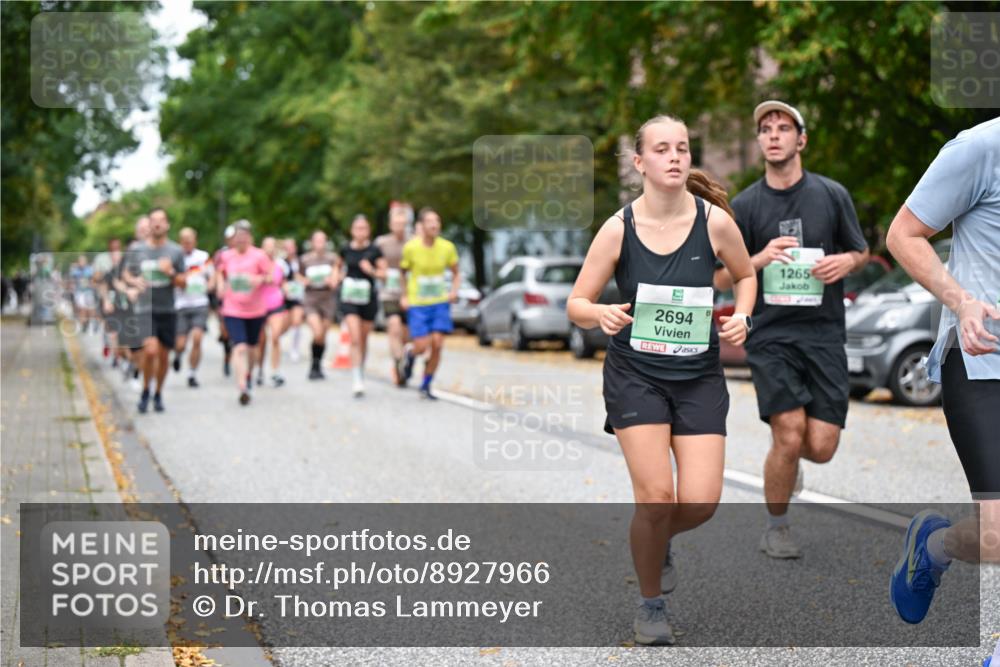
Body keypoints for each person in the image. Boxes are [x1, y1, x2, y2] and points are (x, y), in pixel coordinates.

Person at [568, 114, 756, 645]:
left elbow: (745, 275)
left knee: (700, 501)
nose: (674, 157)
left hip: (698, 377)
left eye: (682, 148)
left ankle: (657, 539)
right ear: (640, 162)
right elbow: (576, 302)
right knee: (656, 498)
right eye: (662, 149)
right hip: (636, 376)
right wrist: (598, 313)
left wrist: (745, 313)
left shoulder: (715, 222)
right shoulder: (618, 228)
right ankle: (651, 606)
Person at [715, 100, 869, 558]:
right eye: (765, 128)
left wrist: (848, 261)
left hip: (823, 333)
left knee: (819, 446)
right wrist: (757, 260)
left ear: (801, 140)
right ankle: (776, 527)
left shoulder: (831, 195)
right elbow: (720, 278)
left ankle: (788, 464)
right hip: (771, 335)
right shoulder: (744, 206)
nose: (774, 134)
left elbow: (860, 251)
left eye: (783, 127)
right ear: (760, 141)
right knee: (788, 431)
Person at [884, 117, 1000, 626]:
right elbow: (903, 234)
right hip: (983, 360)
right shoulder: (980, 148)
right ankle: (934, 545)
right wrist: (962, 300)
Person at [123, 208, 186, 413]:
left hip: (167, 309)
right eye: (153, 221)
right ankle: (145, 390)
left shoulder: (175, 251)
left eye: (161, 221)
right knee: (150, 352)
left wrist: (170, 272)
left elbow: (183, 282)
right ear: (148, 225)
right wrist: (134, 281)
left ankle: (158, 392)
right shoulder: (137, 250)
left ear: (167, 225)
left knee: (164, 356)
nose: (157, 224)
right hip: (144, 309)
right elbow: (125, 274)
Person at [398, 208, 461, 400]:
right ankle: (410, 354)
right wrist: (404, 296)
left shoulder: (447, 247)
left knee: (438, 344)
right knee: (422, 346)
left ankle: (426, 384)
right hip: (418, 303)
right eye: (430, 221)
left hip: (439, 302)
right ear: (422, 226)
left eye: (437, 221)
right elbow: (403, 272)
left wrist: (454, 291)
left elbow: (456, 272)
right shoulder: (411, 248)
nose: (435, 225)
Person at [215, 220, 273, 405]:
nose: (240, 241)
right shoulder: (227, 256)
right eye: (237, 238)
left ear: (250, 238)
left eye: (243, 237)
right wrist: (220, 286)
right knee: (239, 347)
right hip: (232, 308)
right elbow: (220, 274)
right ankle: (242, 386)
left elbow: (272, 277)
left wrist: (259, 279)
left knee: (253, 349)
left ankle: (248, 374)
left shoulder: (259, 256)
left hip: (255, 310)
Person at [337, 215, 387, 397]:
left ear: (368, 231)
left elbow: (385, 273)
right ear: (352, 230)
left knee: (364, 339)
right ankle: (357, 378)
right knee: (355, 337)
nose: (361, 231)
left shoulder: (375, 250)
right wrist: (338, 277)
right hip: (349, 298)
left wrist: (372, 270)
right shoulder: (345, 249)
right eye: (357, 228)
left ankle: (360, 369)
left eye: (364, 228)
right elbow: (337, 266)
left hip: (368, 299)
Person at [375, 202, 413, 385]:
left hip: (409, 294)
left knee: (406, 334)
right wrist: (378, 271)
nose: (399, 227)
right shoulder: (381, 243)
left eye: (403, 224)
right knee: (394, 326)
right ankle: (399, 363)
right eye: (396, 223)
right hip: (389, 292)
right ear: (390, 225)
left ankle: (404, 358)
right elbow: (372, 262)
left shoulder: (413, 242)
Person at [172, 227, 213, 388]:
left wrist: (210, 286)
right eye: (184, 240)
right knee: (180, 344)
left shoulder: (203, 257)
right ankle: (178, 354)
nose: (187, 243)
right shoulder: (175, 257)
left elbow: (212, 276)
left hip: (199, 304)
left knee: (197, 338)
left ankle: (192, 373)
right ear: (180, 241)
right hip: (181, 305)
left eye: (190, 240)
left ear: (195, 240)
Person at [299, 230, 339, 380]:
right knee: (317, 331)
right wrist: (304, 281)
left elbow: (338, 275)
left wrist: (333, 280)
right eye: (317, 240)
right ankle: (313, 365)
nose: (320, 244)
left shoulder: (332, 258)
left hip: (327, 299)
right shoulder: (305, 259)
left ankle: (318, 365)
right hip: (311, 298)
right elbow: (298, 275)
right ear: (312, 242)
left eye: (323, 240)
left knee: (323, 335)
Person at [255, 236, 288, 387]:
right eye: (266, 246)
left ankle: (275, 371)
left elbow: (284, 282)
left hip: (277, 304)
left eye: (272, 246)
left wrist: (288, 290)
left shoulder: (280, 265)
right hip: (260, 305)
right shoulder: (256, 264)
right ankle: (260, 369)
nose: (269, 249)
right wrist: (262, 279)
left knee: (275, 336)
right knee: (261, 341)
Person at [212, 225, 237, 377]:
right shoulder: (221, 254)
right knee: (226, 332)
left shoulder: (246, 253)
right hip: (225, 296)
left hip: (241, 297)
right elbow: (217, 273)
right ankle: (227, 358)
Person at [281, 238, 306, 362]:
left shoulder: (301, 262)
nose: (290, 250)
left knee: (297, 321)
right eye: (287, 247)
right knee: (284, 325)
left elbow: (305, 278)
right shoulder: (282, 263)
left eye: (291, 247)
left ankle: (294, 349)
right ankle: (277, 341)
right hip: (285, 298)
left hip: (298, 297)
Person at [69, 255, 97, 333]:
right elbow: (72, 281)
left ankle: (91, 323)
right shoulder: (75, 271)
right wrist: (72, 286)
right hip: (79, 292)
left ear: (86, 262)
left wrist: (92, 284)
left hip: (88, 291)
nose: (82, 263)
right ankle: (82, 324)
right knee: (81, 309)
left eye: (83, 261)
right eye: (80, 261)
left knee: (90, 309)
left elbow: (93, 280)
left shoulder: (89, 270)